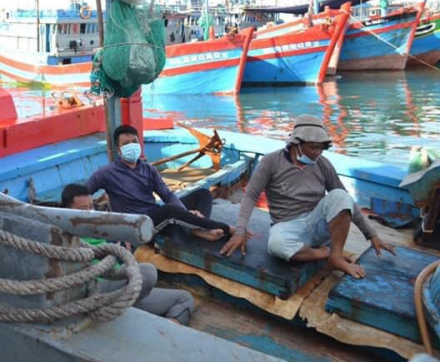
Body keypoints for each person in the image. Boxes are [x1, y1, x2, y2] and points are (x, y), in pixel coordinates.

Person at [220, 115, 396, 279]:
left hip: (318, 224)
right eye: (313, 147)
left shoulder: (323, 164)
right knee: (276, 246)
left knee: (340, 196)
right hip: (287, 225)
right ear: (296, 143)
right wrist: (241, 229)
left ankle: (336, 256)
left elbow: (346, 200)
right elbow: (251, 194)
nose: (317, 152)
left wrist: (371, 235)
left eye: (321, 148)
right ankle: (324, 254)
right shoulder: (271, 162)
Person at [61, 184, 195, 325]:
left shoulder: (97, 227)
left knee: (184, 298)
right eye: (83, 209)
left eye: (91, 207)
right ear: (66, 211)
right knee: (147, 272)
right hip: (96, 291)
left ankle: (167, 330)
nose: (90, 212)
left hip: (121, 290)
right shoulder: (63, 235)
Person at [85, 124, 233, 241]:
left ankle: (198, 228)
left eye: (134, 142)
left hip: (155, 214)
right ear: (119, 150)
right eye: (126, 143)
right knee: (169, 210)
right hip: (138, 224)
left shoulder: (148, 169)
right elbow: (83, 192)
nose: (132, 145)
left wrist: (185, 211)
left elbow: (167, 195)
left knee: (203, 194)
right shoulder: (106, 173)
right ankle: (224, 228)